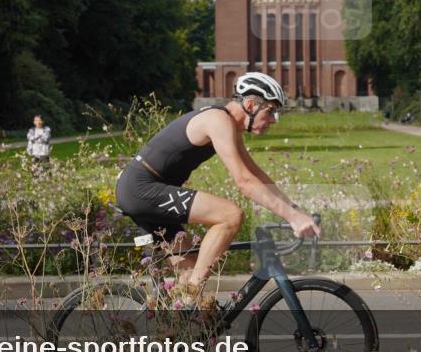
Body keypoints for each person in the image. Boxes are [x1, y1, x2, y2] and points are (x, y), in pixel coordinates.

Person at [114, 72, 320, 309]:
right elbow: (244, 182)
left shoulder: (229, 126)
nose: (274, 119)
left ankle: (176, 332)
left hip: (143, 189)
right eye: (271, 110)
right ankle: (191, 297)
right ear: (252, 105)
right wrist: (292, 217)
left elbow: (258, 176)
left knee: (189, 266)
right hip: (141, 188)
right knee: (230, 215)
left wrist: (295, 211)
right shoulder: (217, 120)